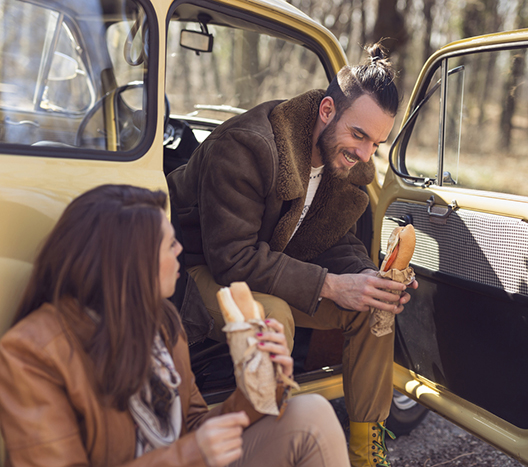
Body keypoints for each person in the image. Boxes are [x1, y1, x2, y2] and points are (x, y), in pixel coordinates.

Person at [167, 43, 418, 467]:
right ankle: (272, 445)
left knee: (374, 308)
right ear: (325, 111)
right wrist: (332, 286)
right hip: (191, 269)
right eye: (359, 135)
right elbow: (232, 259)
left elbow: (329, 239)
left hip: (258, 265)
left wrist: (366, 278)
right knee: (273, 316)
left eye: (376, 143)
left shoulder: (348, 164)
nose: (364, 154)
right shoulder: (249, 146)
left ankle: (365, 450)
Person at [0, 184, 349, 467]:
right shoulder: (30, 354)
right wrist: (191, 454)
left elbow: (194, 425)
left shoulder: (161, 324)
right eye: (170, 244)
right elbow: (192, 447)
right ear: (130, 263)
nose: (181, 250)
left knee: (312, 413)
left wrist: (263, 385)